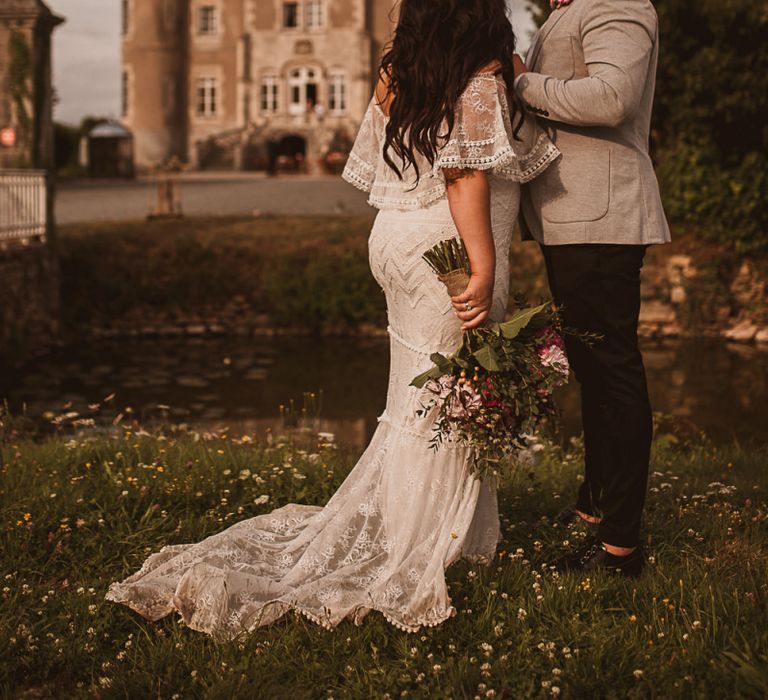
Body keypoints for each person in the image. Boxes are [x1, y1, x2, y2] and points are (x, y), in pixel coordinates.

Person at [105, 0, 558, 638]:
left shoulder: (403, 67)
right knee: (447, 398)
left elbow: (382, 157)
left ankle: (425, 527)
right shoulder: (480, 71)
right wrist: (482, 268)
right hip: (452, 247)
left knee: (413, 399)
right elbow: (462, 171)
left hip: (397, 241)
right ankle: (434, 543)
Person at [514, 0, 671, 577]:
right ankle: (594, 508)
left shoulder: (618, 3)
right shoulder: (575, 8)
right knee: (593, 369)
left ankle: (620, 547)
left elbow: (611, 98)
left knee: (613, 374)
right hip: (573, 220)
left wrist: (520, 82)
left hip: (601, 220)